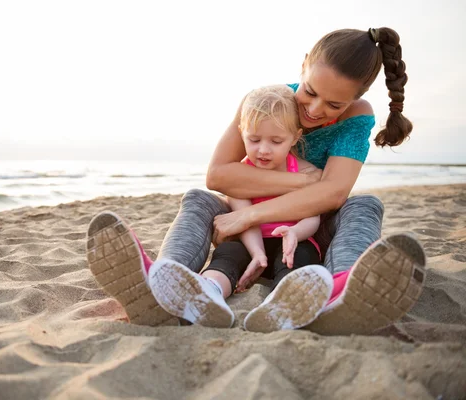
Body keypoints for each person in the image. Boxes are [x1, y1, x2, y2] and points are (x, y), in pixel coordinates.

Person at [86, 27, 427, 335]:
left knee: (364, 205)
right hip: (245, 230)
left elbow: (335, 194)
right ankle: (168, 282)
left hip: (306, 234)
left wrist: (249, 215)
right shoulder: (265, 103)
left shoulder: (357, 116)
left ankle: (342, 291)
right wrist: (305, 184)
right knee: (198, 198)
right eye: (310, 91)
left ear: (354, 99)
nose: (314, 109)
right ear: (305, 64)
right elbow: (218, 175)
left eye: (334, 104)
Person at [145, 85, 333, 331]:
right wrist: (257, 254)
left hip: (293, 241)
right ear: (242, 133)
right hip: (251, 238)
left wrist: (295, 233)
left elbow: (313, 216)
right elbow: (245, 220)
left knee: (299, 258)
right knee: (228, 254)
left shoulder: (307, 173)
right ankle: (208, 292)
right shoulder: (239, 175)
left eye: (276, 141)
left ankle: (284, 304)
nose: (263, 150)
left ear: (295, 137)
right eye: (254, 140)